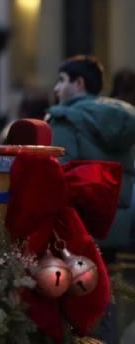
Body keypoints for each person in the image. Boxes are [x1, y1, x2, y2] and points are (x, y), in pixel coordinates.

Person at [48, 55, 135, 250]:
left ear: (79, 83)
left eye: (61, 80)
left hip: (77, 232)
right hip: (117, 229)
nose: (56, 88)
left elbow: (55, 178)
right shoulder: (120, 120)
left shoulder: (65, 119)